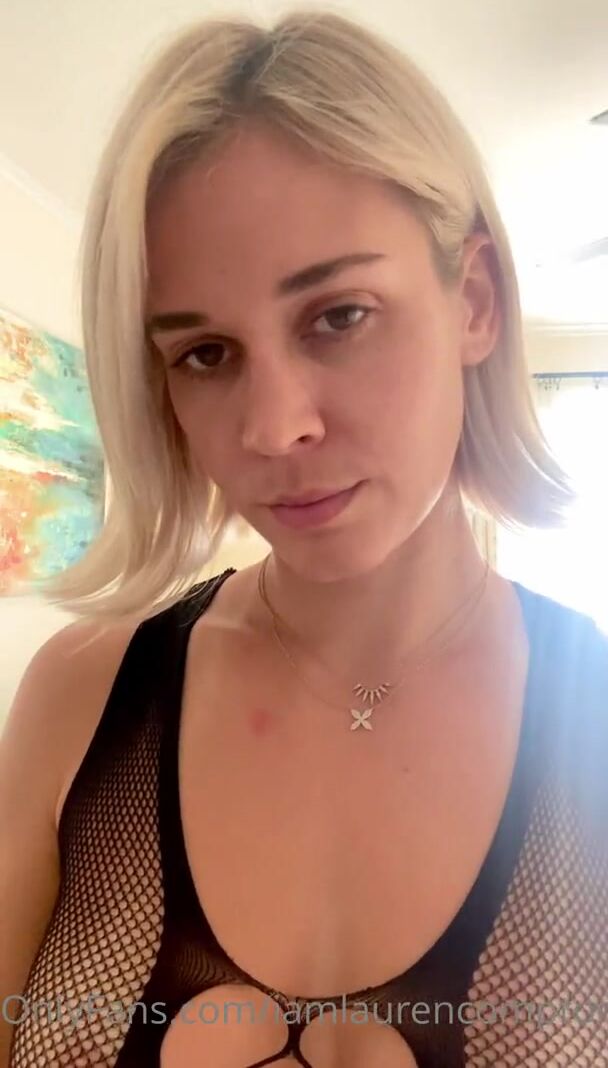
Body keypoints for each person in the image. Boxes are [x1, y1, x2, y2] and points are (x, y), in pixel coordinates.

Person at [1, 8, 607, 1067]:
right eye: (205, 353)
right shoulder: (82, 698)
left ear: (471, 300)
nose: (275, 428)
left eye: (338, 315)